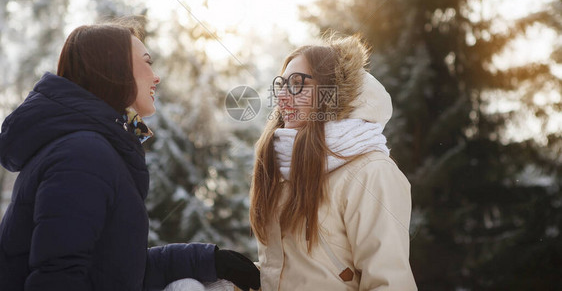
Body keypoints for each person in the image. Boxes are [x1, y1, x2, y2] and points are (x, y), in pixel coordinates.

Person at [0, 21, 260, 291]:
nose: (156, 76)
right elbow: (57, 279)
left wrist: (211, 261)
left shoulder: (94, 147)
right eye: (147, 63)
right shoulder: (82, 155)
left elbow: (115, 273)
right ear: (115, 70)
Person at [250, 34, 417, 290]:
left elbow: (388, 283)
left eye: (297, 83)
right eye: (281, 85)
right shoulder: (283, 169)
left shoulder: (371, 172)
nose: (282, 96)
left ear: (331, 94)